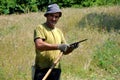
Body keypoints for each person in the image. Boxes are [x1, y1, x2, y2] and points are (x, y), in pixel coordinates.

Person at [33, 3, 76, 80]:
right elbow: (39, 45)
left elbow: (64, 51)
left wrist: (71, 48)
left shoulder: (59, 32)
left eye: (56, 17)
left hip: (55, 69)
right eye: (51, 16)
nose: (54, 19)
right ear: (46, 16)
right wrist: (58, 46)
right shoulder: (40, 28)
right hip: (42, 69)